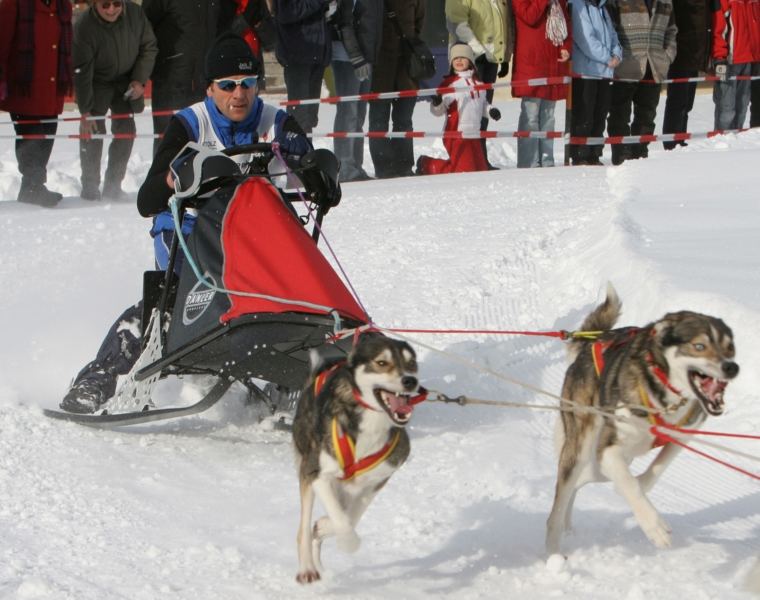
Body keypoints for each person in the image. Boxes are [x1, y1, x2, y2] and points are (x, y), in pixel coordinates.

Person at [60, 33, 312, 414]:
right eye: (227, 86)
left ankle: (288, 380)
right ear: (210, 89)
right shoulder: (190, 123)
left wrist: (306, 156)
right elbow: (147, 200)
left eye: (247, 85)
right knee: (173, 302)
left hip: (250, 236)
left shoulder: (275, 121)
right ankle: (97, 379)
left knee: (287, 292)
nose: (239, 95)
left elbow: (312, 181)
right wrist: (182, 173)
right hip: (188, 231)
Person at [73, 0, 158, 200]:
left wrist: (139, 79)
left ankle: (113, 184)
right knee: (93, 131)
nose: (111, 9)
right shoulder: (84, 25)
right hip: (96, 81)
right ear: (95, 4)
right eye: (105, 5)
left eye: (116, 3)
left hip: (126, 81)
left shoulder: (135, 15)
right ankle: (90, 186)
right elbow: (81, 70)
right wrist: (85, 110)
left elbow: (149, 46)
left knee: (126, 131)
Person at [0, 0, 73, 207]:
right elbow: (2, 42)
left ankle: (33, 187)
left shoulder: (62, 5)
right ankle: (32, 187)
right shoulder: (13, 4)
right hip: (25, 87)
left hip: (52, 89)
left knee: (48, 133)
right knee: (32, 137)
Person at [142, 0, 232, 157]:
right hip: (171, 81)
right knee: (169, 143)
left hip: (206, 81)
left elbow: (224, 25)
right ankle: (162, 181)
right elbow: (144, 29)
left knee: (206, 141)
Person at [606, 0, 677, 165]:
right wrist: (617, 56)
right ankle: (621, 154)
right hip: (625, 67)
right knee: (619, 114)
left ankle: (640, 152)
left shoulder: (665, 2)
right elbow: (610, 28)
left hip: (653, 68)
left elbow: (672, 31)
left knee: (647, 115)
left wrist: (666, 56)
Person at [445, 0, 515, 169]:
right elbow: (457, 23)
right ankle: (460, 158)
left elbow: (503, 23)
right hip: (467, 61)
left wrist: (504, 55)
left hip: (490, 60)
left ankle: (480, 158)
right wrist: (478, 50)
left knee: (483, 112)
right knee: (464, 114)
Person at [416, 43, 501, 175]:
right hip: (456, 136)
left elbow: (483, 104)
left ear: (471, 61)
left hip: (474, 135)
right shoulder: (450, 84)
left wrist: (491, 111)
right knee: (463, 171)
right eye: (455, 58)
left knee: (481, 171)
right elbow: (439, 111)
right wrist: (437, 103)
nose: (459, 61)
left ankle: (441, 164)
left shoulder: (479, 84)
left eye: (463, 57)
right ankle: (426, 164)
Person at [368, 0, 425, 179]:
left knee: (404, 120)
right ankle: (383, 166)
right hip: (380, 66)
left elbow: (419, 21)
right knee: (379, 120)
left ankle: (404, 165)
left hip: (406, 67)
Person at [511, 0, 570, 168]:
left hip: (552, 64)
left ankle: (546, 160)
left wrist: (566, 46)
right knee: (530, 115)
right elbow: (529, 16)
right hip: (531, 63)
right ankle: (529, 162)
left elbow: (566, 22)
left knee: (548, 117)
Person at [329, 0, 383, 182]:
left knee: (359, 113)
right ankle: (344, 166)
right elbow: (344, 22)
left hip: (365, 56)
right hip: (347, 58)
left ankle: (355, 165)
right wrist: (356, 57)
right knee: (348, 111)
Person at [567, 0, 621, 166]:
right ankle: (580, 154)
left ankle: (594, 154)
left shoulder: (602, 7)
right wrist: (607, 57)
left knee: (600, 115)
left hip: (604, 73)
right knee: (585, 115)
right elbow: (585, 39)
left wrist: (618, 53)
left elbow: (613, 35)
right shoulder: (577, 5)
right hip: (586, 72)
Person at [272, 0, 332, 134]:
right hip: (297, 55)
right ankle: (295, 152)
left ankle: (307, 151)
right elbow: (286, 12)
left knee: (310, 118)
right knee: (299, 118)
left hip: (317, 52)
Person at [661, 0, 711, 150]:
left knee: (687, 103)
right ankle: (671, 142)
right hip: (680, 54)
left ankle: (680, 138)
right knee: (677, 102)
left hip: (695, 54)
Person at [711, 0, 760, 130]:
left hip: (748, 61)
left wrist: (756, 57)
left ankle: (735, 145)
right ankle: (721, 142)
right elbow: (718, 28)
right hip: (729, 61)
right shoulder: (725, 1)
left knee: (742, 108)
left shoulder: (754, 2)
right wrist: (719, 57)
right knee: (726, 110)